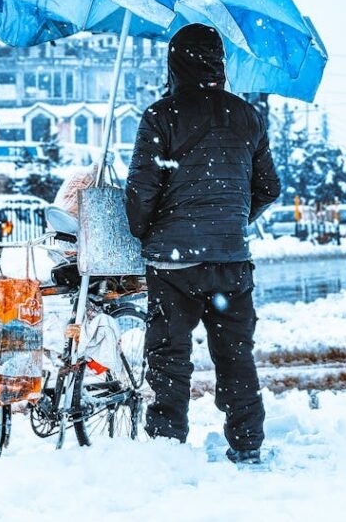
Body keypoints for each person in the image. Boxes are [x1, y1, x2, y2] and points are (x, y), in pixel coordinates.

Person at [125, 23, 280, 464]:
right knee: (235, 357)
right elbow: (268, 187)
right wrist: (230, 220)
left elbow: (141, 193)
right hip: (231, 262)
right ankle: (247, 443)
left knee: (169, 357)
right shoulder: (249, 117)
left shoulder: (161, 116)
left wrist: (148, 230)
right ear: (220, 62)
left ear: (174, 63)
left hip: (173, 265)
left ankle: (168, 447)